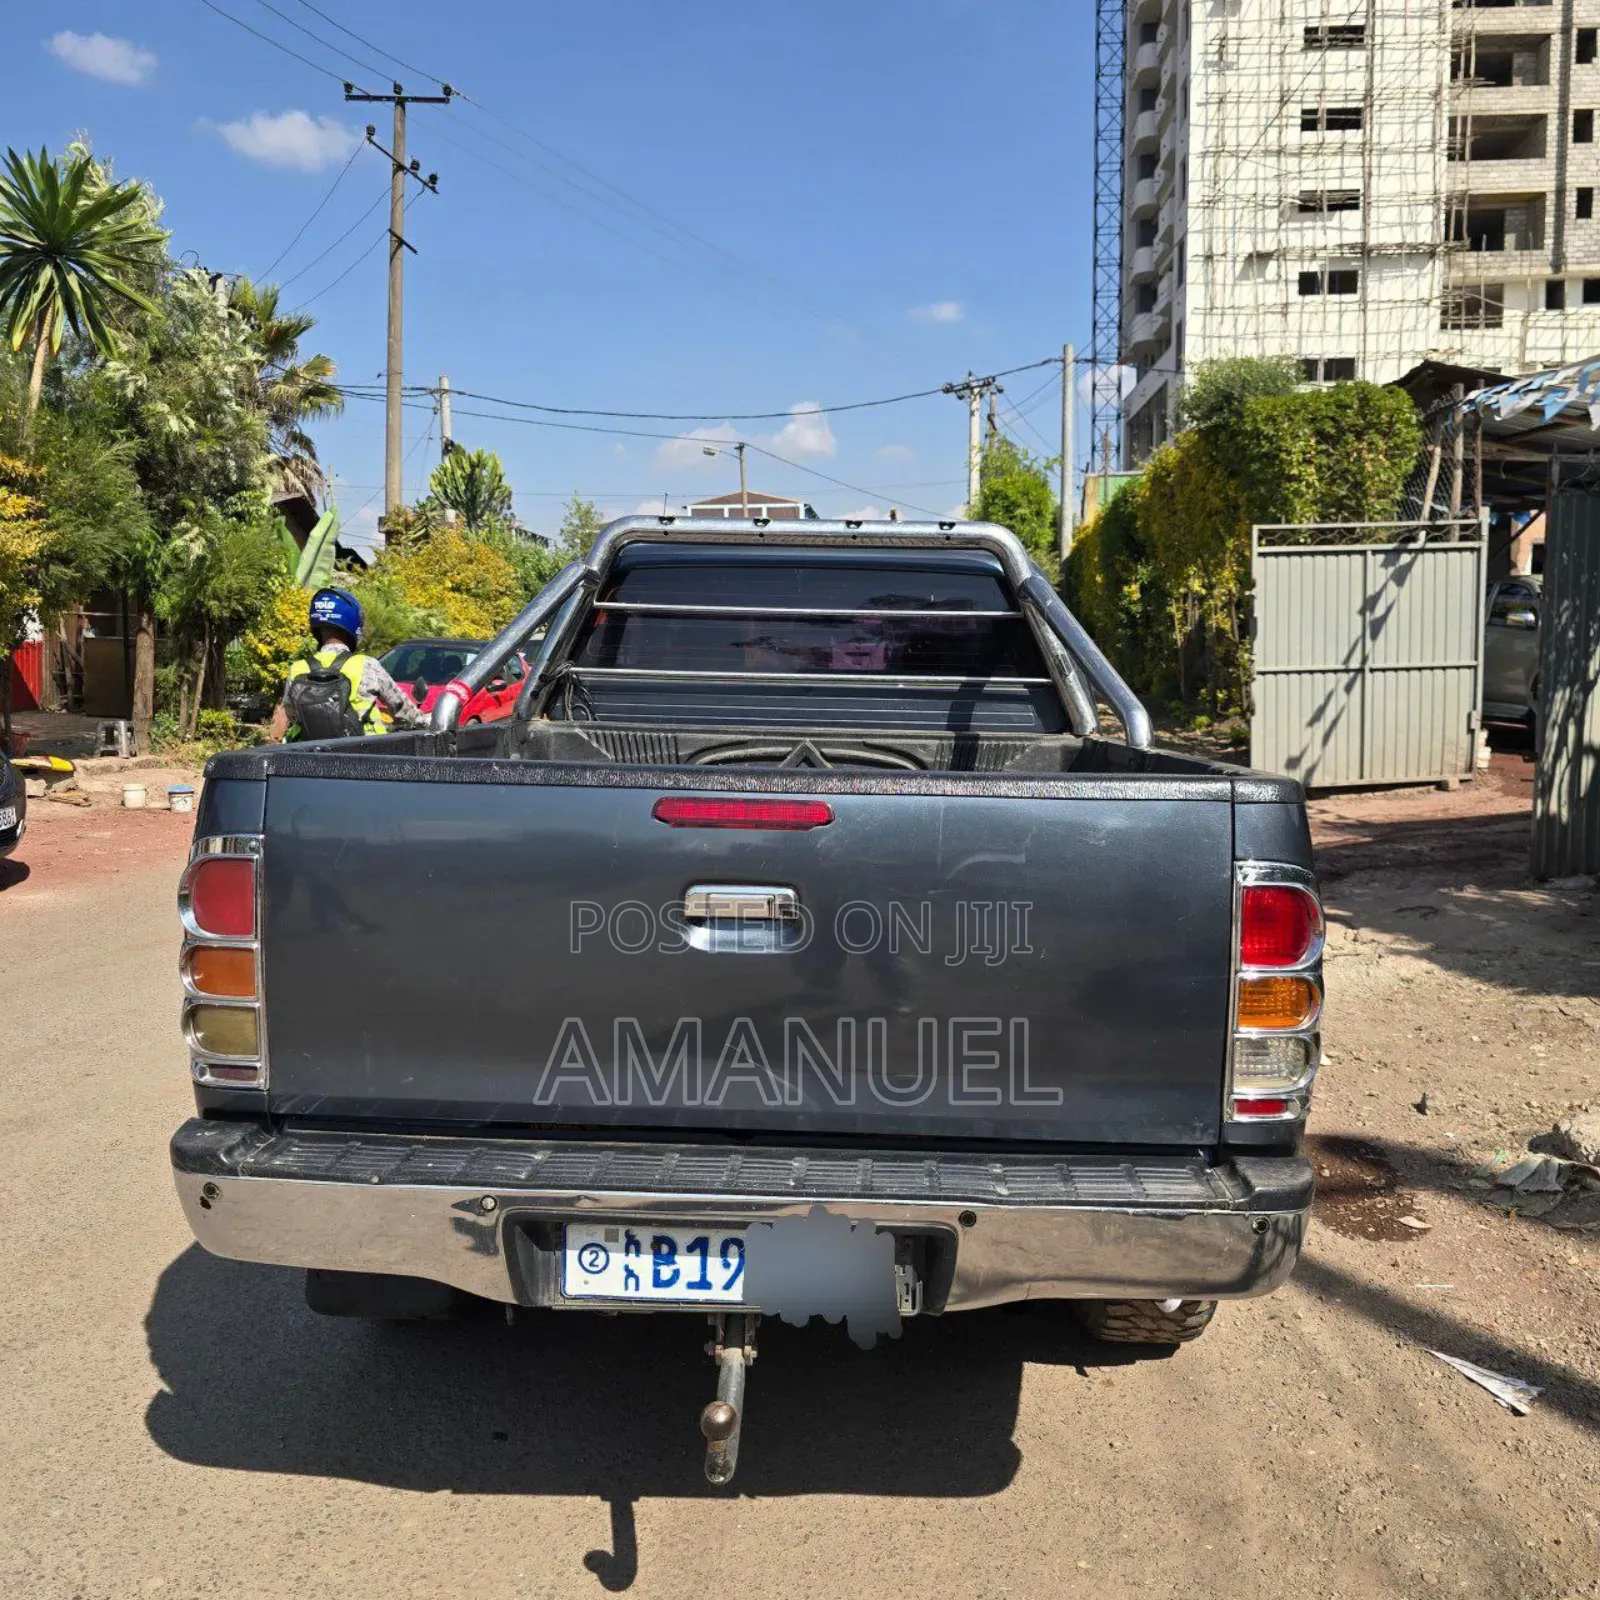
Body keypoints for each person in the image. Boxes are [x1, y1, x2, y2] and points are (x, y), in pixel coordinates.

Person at [270, 587, 428, 742]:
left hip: (308, 758)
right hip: (361, 757)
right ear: (354, 626)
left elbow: (291, 713)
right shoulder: (367, 665)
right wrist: (425, 723)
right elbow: (403, 709)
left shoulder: (298, 668)